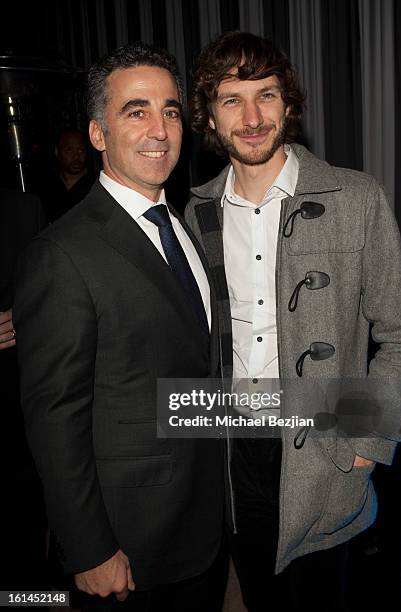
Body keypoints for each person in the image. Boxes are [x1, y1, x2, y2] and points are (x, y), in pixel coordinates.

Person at [185, 31, 401, 612]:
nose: (253, 116)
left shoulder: (356, 198)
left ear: (290, 104)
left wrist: (366, 436)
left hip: (327, 437)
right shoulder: (194, 211)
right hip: (234, 442)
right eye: (232, 99)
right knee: (261, 594)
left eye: (267, 94)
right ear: (209, 115)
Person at [14, 42, 227, 611]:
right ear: (98, 134)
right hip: (129, 545)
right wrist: (89, 548)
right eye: (136, 111)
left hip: (204, 524)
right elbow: (53, 416)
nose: (159, 129)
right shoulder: (62, 252)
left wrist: (349, 413)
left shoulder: (185, 225)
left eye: (171, 111)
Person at [0, 188, 48, 590]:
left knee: (24, 513)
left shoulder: (22, 208)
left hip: (16, 390)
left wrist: (26, 319)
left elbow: (42, 291)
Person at [39, 128, 95, 222]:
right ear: (57, 152)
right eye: (69, 150)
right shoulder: (47, 187)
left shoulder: (96, 185)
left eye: (80, 150)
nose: (76, 156)